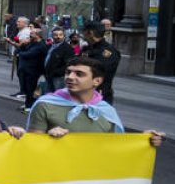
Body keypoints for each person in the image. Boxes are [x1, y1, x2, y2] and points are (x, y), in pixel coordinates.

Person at [28, 56, 163, 147]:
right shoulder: (45, 105)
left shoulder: (106, 111)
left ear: (97, 81)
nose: (70, 77)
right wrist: (48, 137)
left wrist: (145, 140)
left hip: (92, 176)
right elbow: (32, 147)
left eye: (79, 74)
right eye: (68, 72)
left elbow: (116, 148)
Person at [81, 26, 121, 104]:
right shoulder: (87, 48)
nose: (83, 36)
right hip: (83, 90)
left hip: (100, 92)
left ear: (91, 33)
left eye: (84, 33)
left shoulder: (109, 51)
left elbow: (101, 70)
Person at [16, 28, 49, 109]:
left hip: (34, 70)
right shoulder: (31, 43)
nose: (30, 35)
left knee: (31, 89)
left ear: (38, 35)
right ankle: (28, 104)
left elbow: (29, 54)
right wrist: (22, 45)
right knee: (27, 89)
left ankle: (30, 105)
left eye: (32, 33)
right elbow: (18, 51)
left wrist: (20, 54)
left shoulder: (41, 45)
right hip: (26, 69)